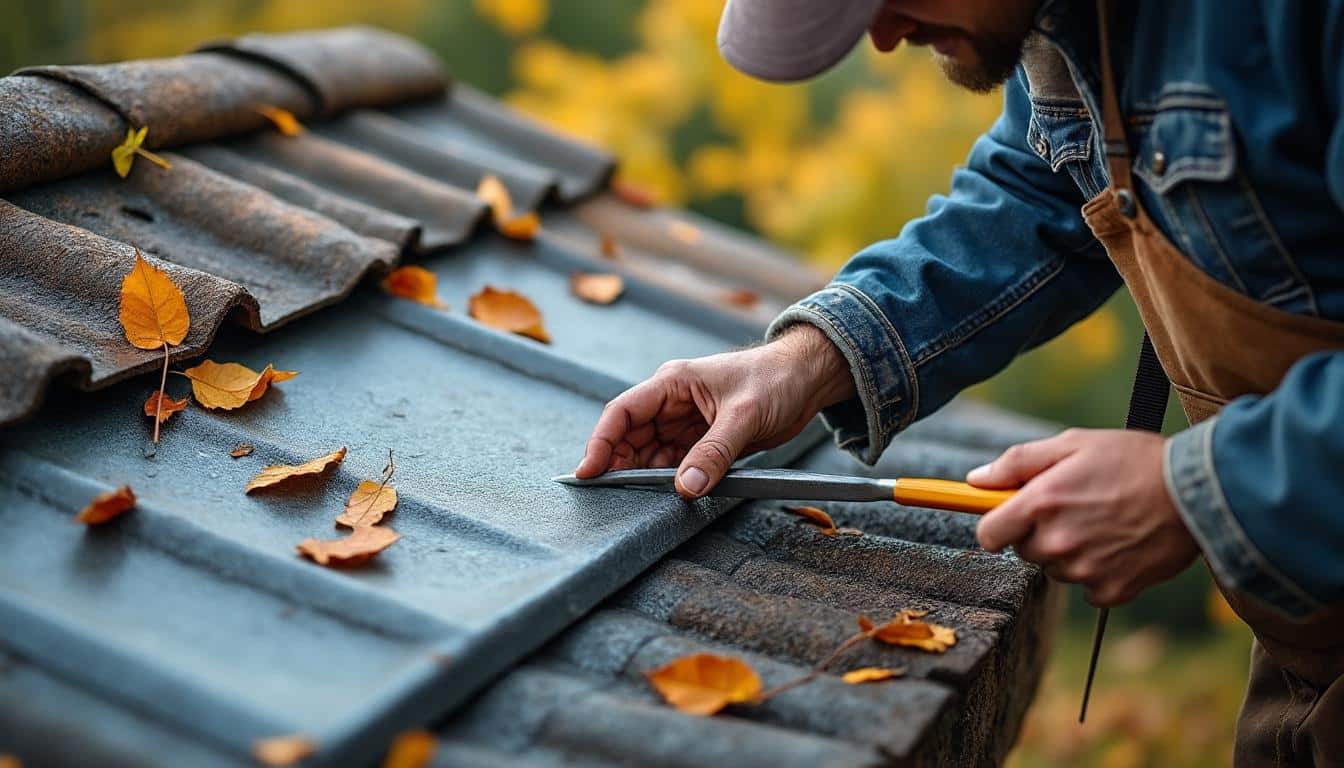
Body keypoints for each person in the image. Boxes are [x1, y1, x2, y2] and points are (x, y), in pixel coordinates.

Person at [575, 0, 1344, 764]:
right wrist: (805, 361)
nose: (885, 36)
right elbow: (1038, 190)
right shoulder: (1061, 23)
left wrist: (1203, 488)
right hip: (1304, 644)